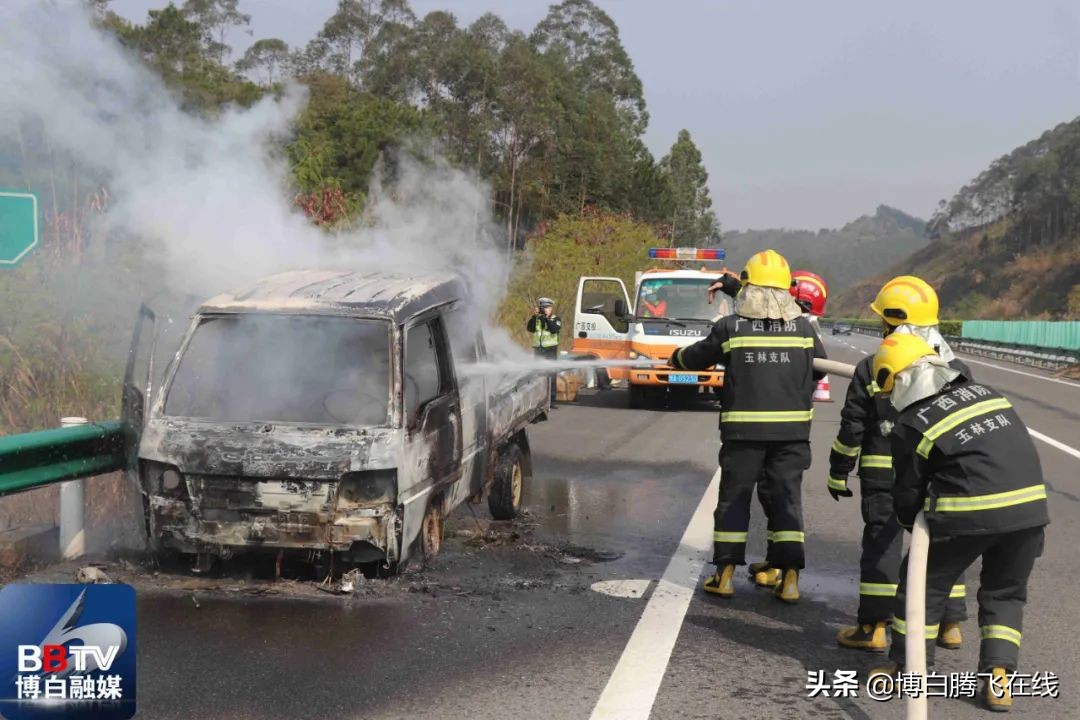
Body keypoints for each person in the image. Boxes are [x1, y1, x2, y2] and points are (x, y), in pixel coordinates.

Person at [868, 333, 1049, 712]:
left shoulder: (913, 423)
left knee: (924, 587)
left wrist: (911, 523)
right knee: (1005, 593)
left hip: (969, 512)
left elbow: (907, 494)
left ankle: (908, 669)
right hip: (1030, 511)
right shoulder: (987, 392)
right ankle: (998, 677)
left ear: (898, 381)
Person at [671, 249, 826, 603]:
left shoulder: (731, 327)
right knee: (787, 501)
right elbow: (819, 369)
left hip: (743, 436)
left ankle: (724, 576)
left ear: (748, 287)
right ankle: (789, 581)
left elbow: (697, 357)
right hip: (791, 437)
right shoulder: (803, 327)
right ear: (788, 290)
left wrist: (675, 357)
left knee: (734, 500)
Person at [830, 276, 971, 652]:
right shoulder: (954, 367)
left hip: (884, 473)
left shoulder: (871, 365)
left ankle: (874, 627)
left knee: (881, 542)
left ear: (892, 320)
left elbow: (853, 426)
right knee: (944, 542)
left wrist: (838, 469)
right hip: (937, 474)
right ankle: (949, 622)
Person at [749, 269, 830, 588]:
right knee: (781, 496)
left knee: (777, 497)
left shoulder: (796, 327)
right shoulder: (808, 327)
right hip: (795, 431)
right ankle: (781, 566)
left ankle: (783, 569)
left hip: (772, 430)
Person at [527, 297, 562, 405]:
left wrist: (546, 319)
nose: (545, 309)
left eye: (546, 307)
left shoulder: (556, 319)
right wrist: (534, 316)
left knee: (551, 374)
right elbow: (530, 328)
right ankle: (538, 399)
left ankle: (552, 400)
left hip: (550, 350)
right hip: (538, 350)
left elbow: (554, 329)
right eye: (543, 307)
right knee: (538, 374)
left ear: (551, 308)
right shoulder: (537, 319)